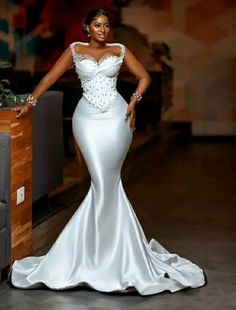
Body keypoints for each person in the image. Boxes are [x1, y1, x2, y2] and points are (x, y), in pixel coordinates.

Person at [10, 9, 205, 295]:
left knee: (108, 183)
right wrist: (31, 103)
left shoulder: (120, 49)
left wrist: (134, 102)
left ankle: (111, 256)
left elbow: (144, 78)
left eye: (106, 25)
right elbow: (50, 77)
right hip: (86, 120)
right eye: (97, 25)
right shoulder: (75, 50)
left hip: (118, 119)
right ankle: (98, 255)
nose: (103, 30)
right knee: (101, 182)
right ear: (86, 28)